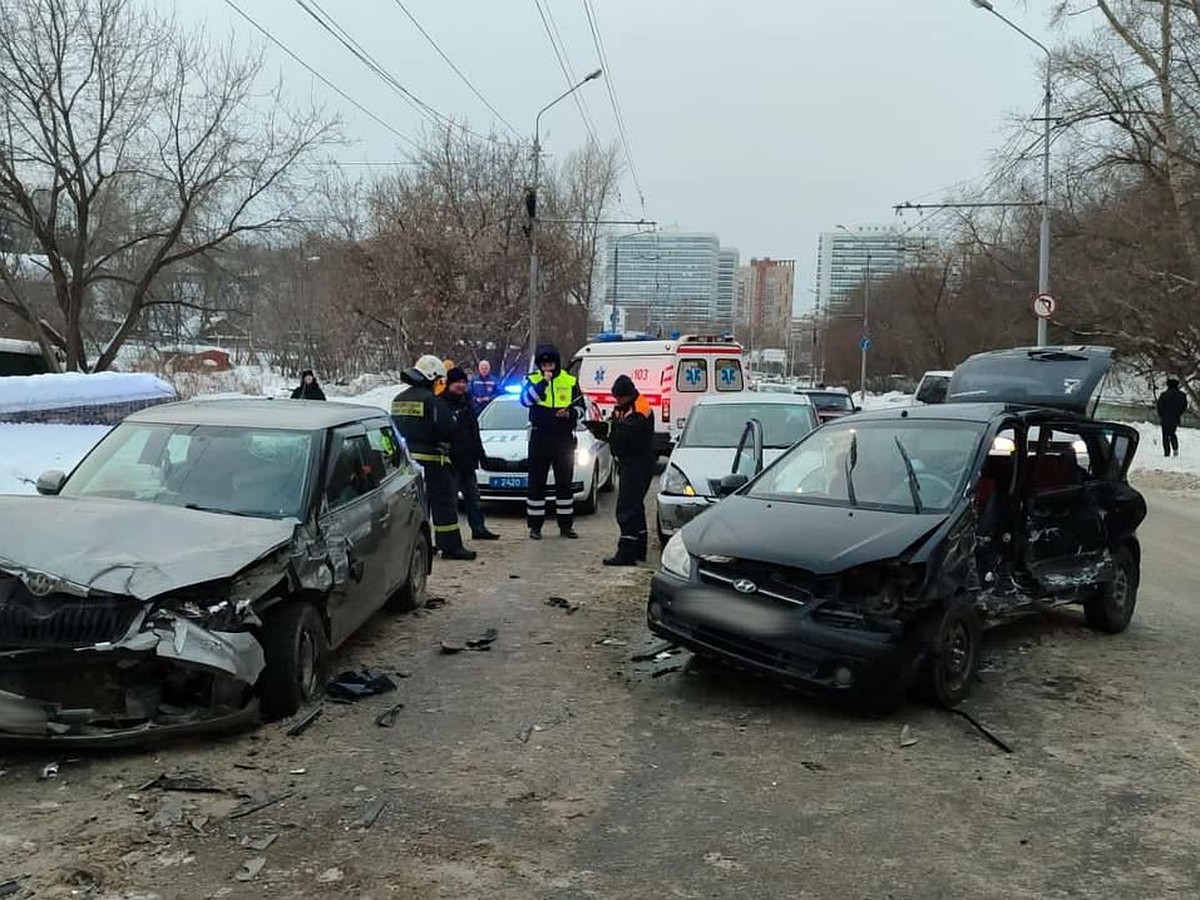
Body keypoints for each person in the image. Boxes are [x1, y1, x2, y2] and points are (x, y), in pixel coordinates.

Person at [391, 355, 476, 561]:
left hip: (407, 463)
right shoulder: (432, 401)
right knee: (444, 504)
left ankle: (421, 546)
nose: (440, 385)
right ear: (431, 377)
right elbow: (447, 428)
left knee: (418, 507)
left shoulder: (398, 400)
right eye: (439, 380)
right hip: (433, 462)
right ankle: (450, 546)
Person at [521, 343, 586, 540]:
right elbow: (525, 401)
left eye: (550, 363)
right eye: (543, 363)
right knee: (536, 483)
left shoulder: (570, 380)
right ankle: (535, 527)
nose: (547, 367)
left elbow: (582, 409)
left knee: (564, 483)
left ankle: (566, 526)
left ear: (556, 363)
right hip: (540, 436)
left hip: (563, 438)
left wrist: (570, 413)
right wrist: (542, 383)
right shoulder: (531, 379)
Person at [603, 375, 656, 566]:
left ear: (628, 395)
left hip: (638, 464)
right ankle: (639, 549)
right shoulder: (624, 407)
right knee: (635, 507)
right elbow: (616, 426)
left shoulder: (640, 410)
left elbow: (627, 434)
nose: (617, 401)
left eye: (619, 398)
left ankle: (626, 552)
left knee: (626, 508)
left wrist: (610, 431)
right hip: (629, 462)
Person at [444, 367, 500, 541]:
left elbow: (474, 431)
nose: (461, 386)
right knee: (451, 502)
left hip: (468, 460)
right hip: (451, 461)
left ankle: (479, 529)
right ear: (449, 384)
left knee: (473, 498)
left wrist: (481, 456)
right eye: (457, 383)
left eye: (463, 382)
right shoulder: (442, 403)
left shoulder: (467, 402)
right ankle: (451, 536)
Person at [1157, 377, 1188, 458]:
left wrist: (1162, 415)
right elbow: (1184, 406)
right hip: (1175, 418)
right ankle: (1175, 449)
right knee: (1172, 433)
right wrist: (1178, 414)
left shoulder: (1164, 395)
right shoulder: (1182, 395)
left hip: (1165, 418)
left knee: (1165, 436)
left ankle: (1167, 452)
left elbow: (1159, 407)